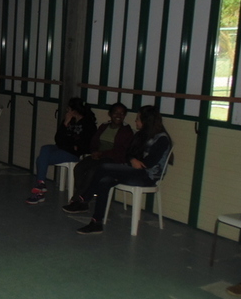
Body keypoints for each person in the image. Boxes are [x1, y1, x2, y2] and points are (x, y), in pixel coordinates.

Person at [72, 105, 172, 234]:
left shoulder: (162, 139)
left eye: (138, 119)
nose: (135, 121)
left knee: (103, 167)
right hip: (134, 171)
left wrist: (134, 161)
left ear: (146, 121)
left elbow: (147, 164)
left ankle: (84, 198)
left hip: (147, 176)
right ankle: (96, 222)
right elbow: (129, 154)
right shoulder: (141, 135)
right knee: (104, 181)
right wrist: (132, 159)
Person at [61, 102, 134, 213]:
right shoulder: (104, 126)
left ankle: (78, 200)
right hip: (99, 156)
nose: (119, 116)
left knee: (93, 171)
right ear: (110, 114)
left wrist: (101, 154)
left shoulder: (126, 131)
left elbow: (121, 151)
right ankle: (82, 200)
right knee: (79, 167)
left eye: (122, 113)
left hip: (113, 160)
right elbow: (94, 141)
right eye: (116, 113)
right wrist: (94, 151)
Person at [26, 97, 96, 204]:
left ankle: (39, 192)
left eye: (69, 109)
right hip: (62, 148)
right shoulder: (69, 120)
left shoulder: (88, 124)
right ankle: (41, 184)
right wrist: (65, 124)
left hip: (73, 154)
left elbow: (83, 146)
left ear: (74, 110)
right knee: (45, 149)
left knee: (41, 159)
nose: (67, 111)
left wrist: (68, 145)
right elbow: (58, 139)